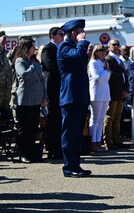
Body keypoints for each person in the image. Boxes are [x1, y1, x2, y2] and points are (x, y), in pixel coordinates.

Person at [57, 18, 92, 177]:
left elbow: (80, 62)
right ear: (73, 33)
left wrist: (87, 53)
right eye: (79, 32)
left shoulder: (74, 47)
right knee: (69, 134)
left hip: (79, 95)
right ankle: (68, 167)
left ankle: (75, 165)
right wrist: (82, 43)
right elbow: (77, 56)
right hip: (70, 96)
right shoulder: (64, 47)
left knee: (77, 134)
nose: (82, 34)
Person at [13, 38, 48, 163]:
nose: (35, 48)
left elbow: (42, 79)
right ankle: (23, 153)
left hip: (36, 99)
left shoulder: (34, 61)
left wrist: (44, 96)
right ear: (26, 48)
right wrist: (33, 66)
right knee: (24, 128)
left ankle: (32, 152)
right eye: (33, 46)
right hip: (25, 100)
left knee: (33, 128)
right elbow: (24, 75)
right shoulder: (20, 61)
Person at [40, 27, 64, 159]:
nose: (63, 36)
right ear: (52, 36)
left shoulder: (61, 49)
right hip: (52, 88)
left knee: (58, 118)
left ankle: (58, 146)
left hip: (60, 88)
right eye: (60, 34)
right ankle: (52, 147)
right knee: (53, 118)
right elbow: (51, 67)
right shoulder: (48, 49)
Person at [104, 39, 129, 150]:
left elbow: (125, 76)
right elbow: (111, 75)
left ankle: (117, 139)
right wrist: (121, 69)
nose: (116, 46)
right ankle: (108, 140)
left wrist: (126, 89)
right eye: (113, 44)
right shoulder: (108, 59)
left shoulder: (119, 60)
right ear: (109, 47)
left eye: (118, 44)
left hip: (120, 92)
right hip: (113, 92)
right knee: (110, 117)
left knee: (118, 117)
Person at [87, 44, 110, 152]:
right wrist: (106, 72)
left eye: (104, 51)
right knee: (95, 118)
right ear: (95, 52)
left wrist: (106, 72)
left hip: (105, 93)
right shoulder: (93, 63)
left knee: (101, 119)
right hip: (96, 94)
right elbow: (98, 78)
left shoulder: (103, 63)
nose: (103, 53)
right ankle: (92, 142)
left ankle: (98, 141)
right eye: (100, 50)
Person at [0, 31, 13, 124]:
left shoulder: (7, 54)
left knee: (6, 113)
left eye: (6, 38)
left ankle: (6, 137)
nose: (5, 40)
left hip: (7, 88)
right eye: (3, 38)